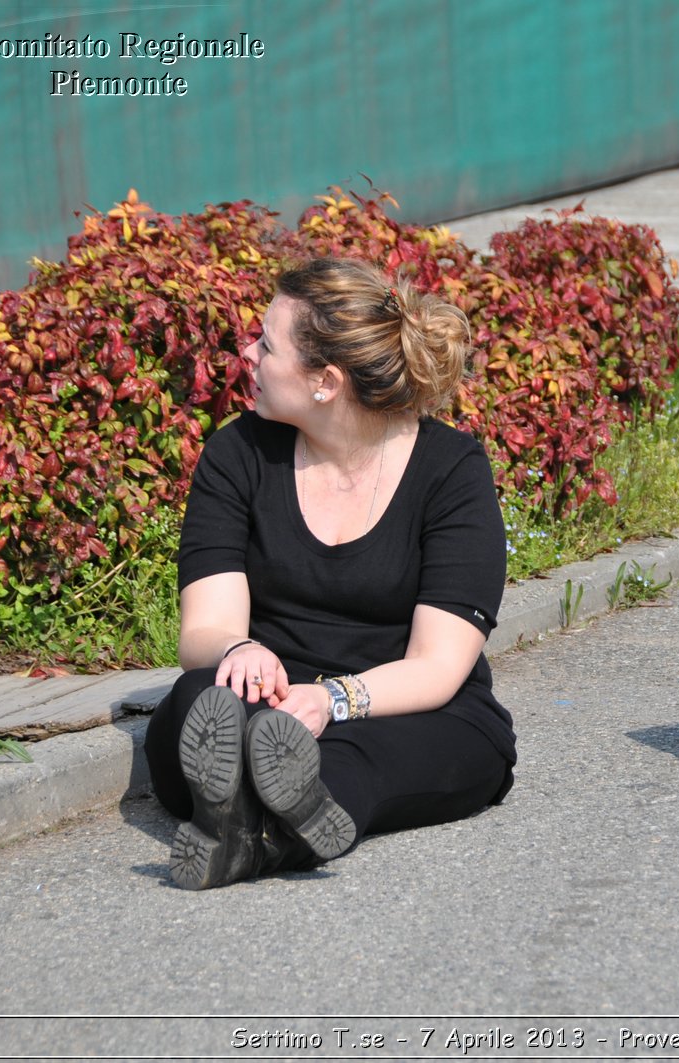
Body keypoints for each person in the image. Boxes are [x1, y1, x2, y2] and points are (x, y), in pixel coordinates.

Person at [144, 258, 515, 889]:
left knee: (410, 754)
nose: (247, 351)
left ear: (325, 382)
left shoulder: (451, 471)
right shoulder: (237, 455)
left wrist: (332, 701)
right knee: (194, 702)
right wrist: (240, 648)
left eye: (265, 343)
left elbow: (437, 666)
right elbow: (202, 628)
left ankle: (250, 826)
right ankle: (266, 821)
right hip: (262, 703)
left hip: (401, 710)